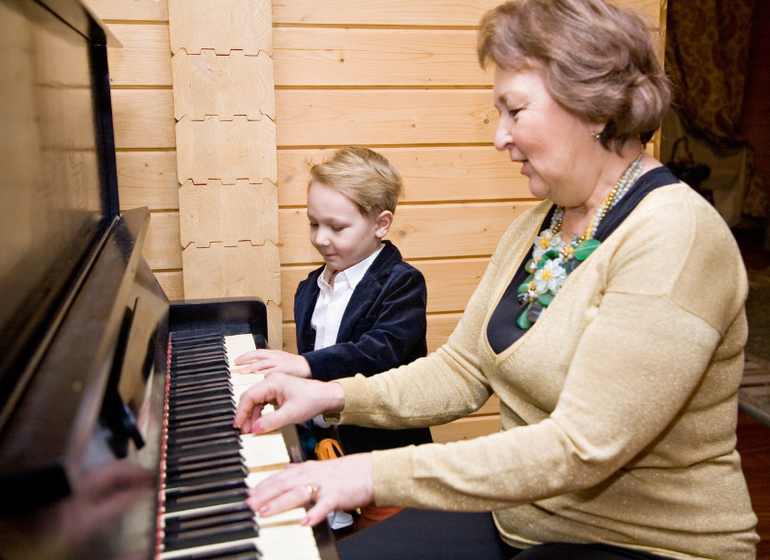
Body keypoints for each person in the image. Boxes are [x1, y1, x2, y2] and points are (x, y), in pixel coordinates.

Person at [233, 0, 760, 558]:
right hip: (525, 519)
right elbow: (462, 371)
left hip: (648, 545)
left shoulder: (675, 236)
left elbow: (580, 448)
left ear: (596, 108)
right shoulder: (539, 223)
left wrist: (368, 474)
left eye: (515, 110)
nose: (499, 137)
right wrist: (329, 393)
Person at [234, 146, 433, 530]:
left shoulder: (402, 283)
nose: (321, 238)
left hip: (382, 461)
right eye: (314, 224)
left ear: (381, 224)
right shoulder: (309, 288)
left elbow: (380, 351)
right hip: (327, 454)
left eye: (336, 228)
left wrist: (305, 364)